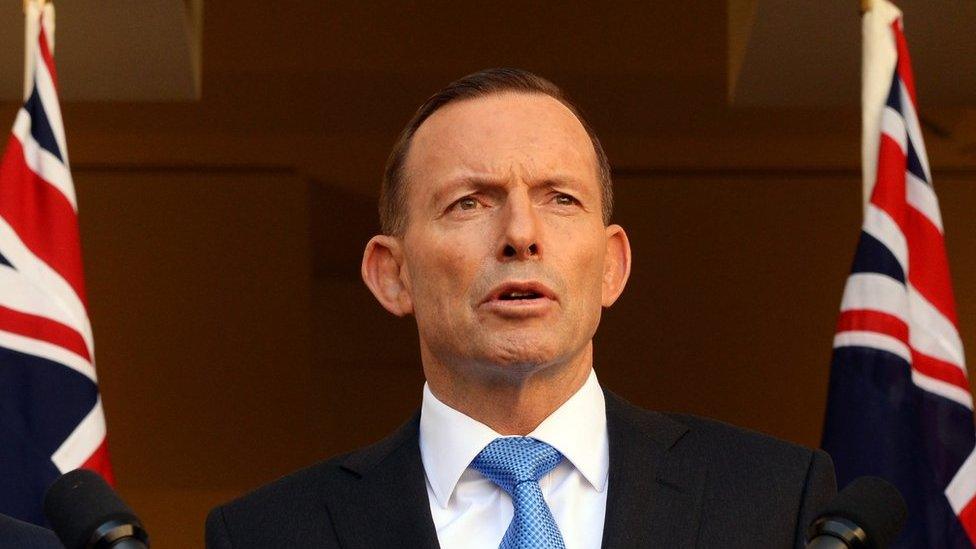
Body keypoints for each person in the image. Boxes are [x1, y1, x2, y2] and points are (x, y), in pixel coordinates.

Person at [205, 68, 836, 548]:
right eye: (470, 202)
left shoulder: (775, 500)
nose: (520, 233)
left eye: (560, 198)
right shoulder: (268, 533)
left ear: (613, 265)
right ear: (392, 275)